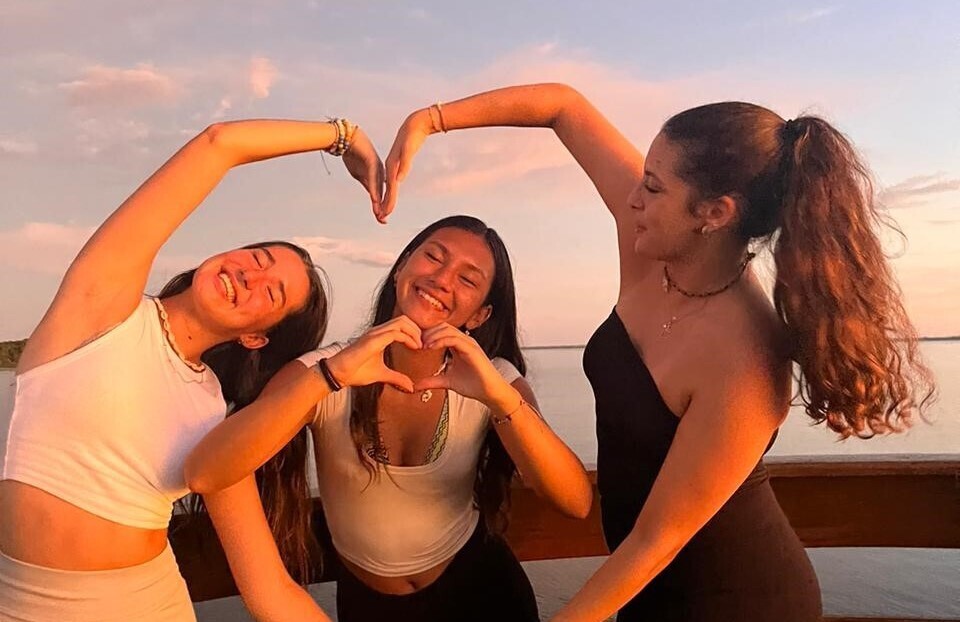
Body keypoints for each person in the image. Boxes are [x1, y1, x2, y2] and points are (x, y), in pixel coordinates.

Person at [379, 85, 936, 621]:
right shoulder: (654, 250)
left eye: (653, 187)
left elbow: (659, 537)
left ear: (714, 213)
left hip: (732, 600)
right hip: (641, 581)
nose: (632, 198)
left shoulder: (746, 356)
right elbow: (562, 107)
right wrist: (431, 119)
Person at [0, 117, 383, 621]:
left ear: (255, 337)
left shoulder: (212, 412)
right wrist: (343, 136)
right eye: (258, 258)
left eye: (271, 293)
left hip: (147, 605)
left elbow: (269, 590)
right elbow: (218, 144)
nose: (250, 275)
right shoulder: (100, 304)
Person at [184, 214, 594, 621]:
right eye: (433, 257)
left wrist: (501, 399)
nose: (442, 279)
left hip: (483, 593)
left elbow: (575, 501)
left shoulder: (495, 379)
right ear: (401, 269)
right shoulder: (324, 370)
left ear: (479, 316)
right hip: (369, 606)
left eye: (468, 279)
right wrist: (331, 376)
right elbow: (221, 464)